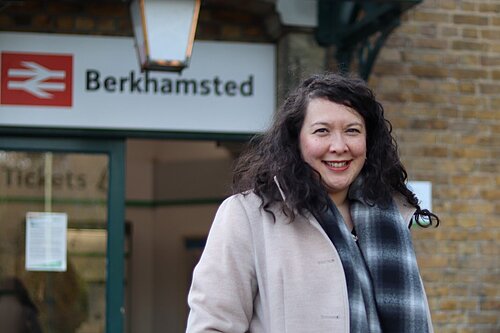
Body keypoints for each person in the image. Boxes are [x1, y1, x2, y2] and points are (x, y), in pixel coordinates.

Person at [186, 72, 439, 333]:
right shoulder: (248, 216)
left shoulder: (392, 219)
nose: (339, 146)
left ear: (368, 141)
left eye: (352, 131)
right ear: (296, 140)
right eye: (322, 131)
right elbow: (211, 326)